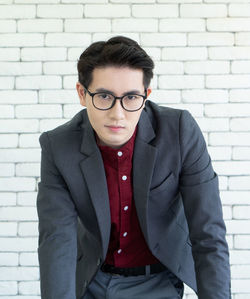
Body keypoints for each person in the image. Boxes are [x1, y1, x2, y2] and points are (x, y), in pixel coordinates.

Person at [37, 36, 231, 299]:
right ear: (82, 94)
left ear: (146, 95)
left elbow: (208, 233)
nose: (118, 114)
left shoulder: (180, 132)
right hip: (91, 280)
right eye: (104, 96)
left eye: (131, 98)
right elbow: (56, 242)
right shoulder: (58, 146)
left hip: (158, 280)